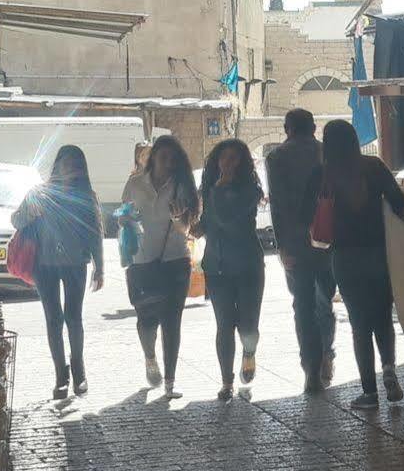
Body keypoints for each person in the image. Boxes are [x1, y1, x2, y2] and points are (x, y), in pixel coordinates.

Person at [311, 118, 404, 409]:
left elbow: (309, 213)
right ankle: (388, 367)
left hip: (344, 256)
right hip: (378, 253)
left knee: (359, 324)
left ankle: (369, 392)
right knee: (382, 315)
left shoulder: (323, 174)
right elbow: (399, 202)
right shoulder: (374, 166)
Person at [11, 144, 103, 399]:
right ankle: (60, 376)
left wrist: (100, 267)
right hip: (44, 265)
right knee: (53, 319)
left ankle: (79, 371)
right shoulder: (39, 192)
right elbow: (16, 220)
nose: (71, 168)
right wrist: (29, 213)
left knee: (74, 318)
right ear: (57, 164)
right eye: (67, 162)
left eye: (76, 164)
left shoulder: (86, 195)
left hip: (75, 263)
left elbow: (96, 232)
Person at [121, 132, 198, 397]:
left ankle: (170, 382)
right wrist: (124, 221)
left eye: (173, 159)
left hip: (175, 260)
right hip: (141, 260)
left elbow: (186, 227)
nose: (168, 162)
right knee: (146, 320)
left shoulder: (182, 185)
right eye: (163, 157)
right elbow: (124, 215)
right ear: (153, 158)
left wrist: (178, 219)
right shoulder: (134, 183)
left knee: (172, 322)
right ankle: (150, 357)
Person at [265, 108, 336, 394]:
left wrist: (281, 245)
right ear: (314, 128)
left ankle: (310, 369)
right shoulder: (327, 153)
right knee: (325, 302)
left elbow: (278, 206)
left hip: (295, 242)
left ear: (287, 129)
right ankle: (326, 356)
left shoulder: (276, 157)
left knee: (303, 306)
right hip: (329, 240)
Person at [196, 138, 266, 401]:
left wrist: (219, 189)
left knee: (248, 327)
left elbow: (226, 217)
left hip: (248, 265)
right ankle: (226, 381)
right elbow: (207, 223)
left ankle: (249, 353)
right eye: (223, 157)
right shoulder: (210, 188)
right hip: (217, 267)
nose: (227, 163)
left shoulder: (250, 191)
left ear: (243, 163)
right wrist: (187, 223)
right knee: (224, 325)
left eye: (234, 158)